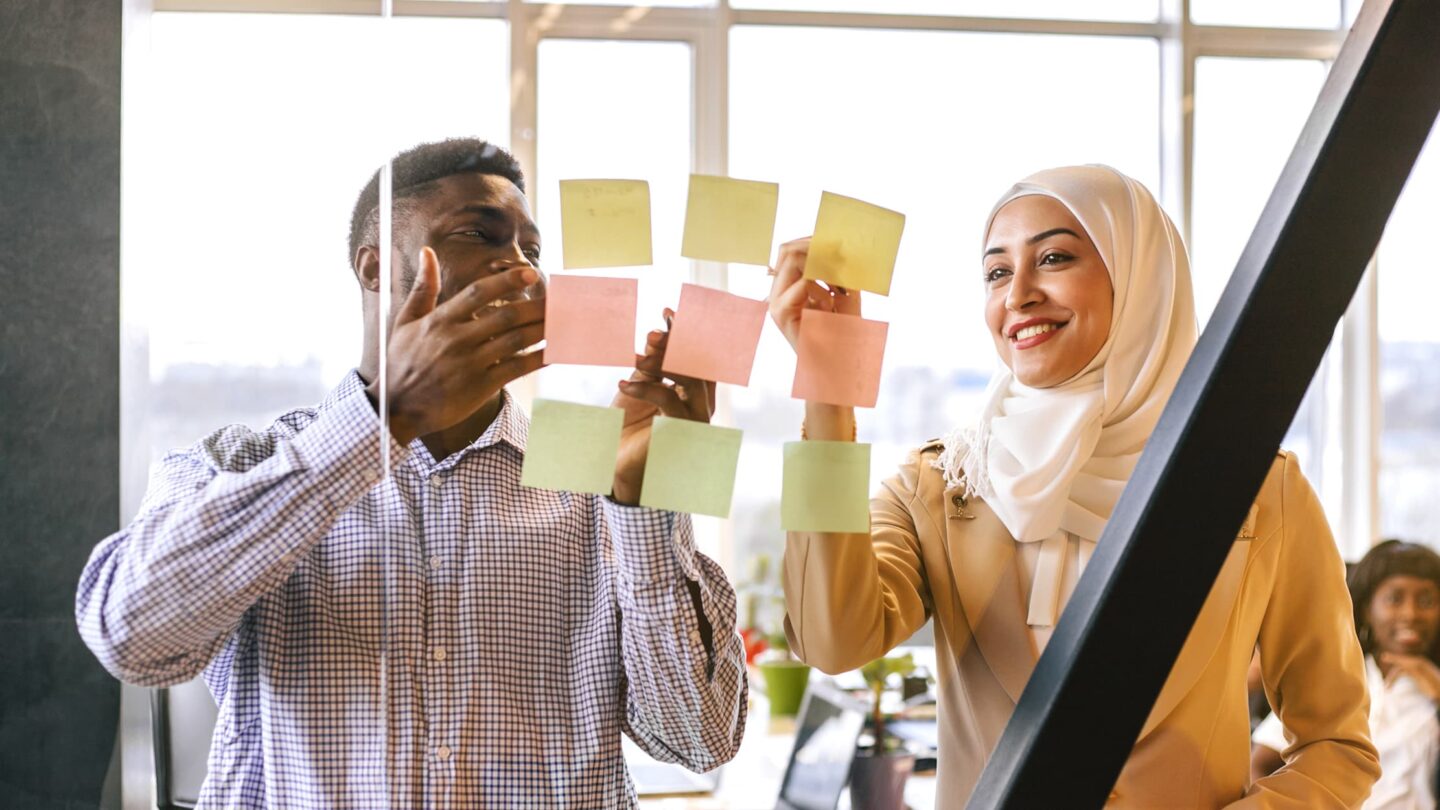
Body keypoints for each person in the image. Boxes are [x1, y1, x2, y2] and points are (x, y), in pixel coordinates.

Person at [75, 138, 746, 808]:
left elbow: (700, 744)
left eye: (532, 251)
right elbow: (130, 639)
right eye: (477, 235)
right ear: (375, 268)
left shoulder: (592, 483)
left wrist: (640, 506)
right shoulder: (238, 464)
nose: (522, 271)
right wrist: (379, 423)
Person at [768, 164, 1379, 806]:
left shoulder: (1255, 487)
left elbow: (1338, 745)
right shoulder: (943, 482)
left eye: (1054, 257)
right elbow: (831, 639)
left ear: (1141, 278)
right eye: (997, 272)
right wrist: (828, 396)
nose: (1018, 294)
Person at [1253, 539, 1440, 808]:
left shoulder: (1435, 686)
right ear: (1367, 608)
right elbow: (1259, 762)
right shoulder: (1339, 676)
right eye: (1394, 599)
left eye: (1426, 600)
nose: (1410, 614)